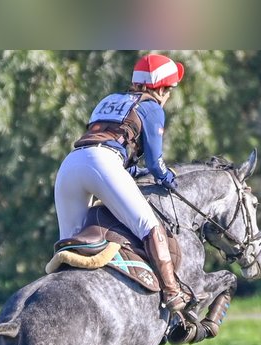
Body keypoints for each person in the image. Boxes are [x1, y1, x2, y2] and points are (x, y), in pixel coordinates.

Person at [54, 53, 193, 318]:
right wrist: (169, 179)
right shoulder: (152, 107)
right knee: (150, 227)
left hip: (70, 165)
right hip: (103, 163)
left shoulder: (108, 100)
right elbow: (155, 163)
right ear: (161, 88)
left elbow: (113, 143)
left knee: (68, 248)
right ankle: (173, 293)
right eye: (170, 89)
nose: (169, 95)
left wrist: (131, 170)